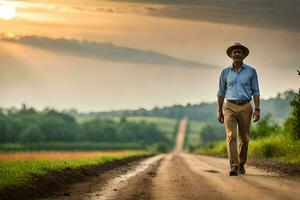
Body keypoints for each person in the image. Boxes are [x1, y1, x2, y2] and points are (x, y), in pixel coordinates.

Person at [217, 42, 261, 176]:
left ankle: (242, 163)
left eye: (239, 52)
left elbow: (256, 91)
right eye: (234, 52)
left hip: (246, 106)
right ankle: (234, 166)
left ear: (243, 56)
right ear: (231, 55)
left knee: (245, 137)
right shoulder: (225, 72)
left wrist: (257, 108)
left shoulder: (251, 71)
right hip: (229, 106)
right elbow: (221, 92)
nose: (237, 54)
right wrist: (219, 110)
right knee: (231, 136)